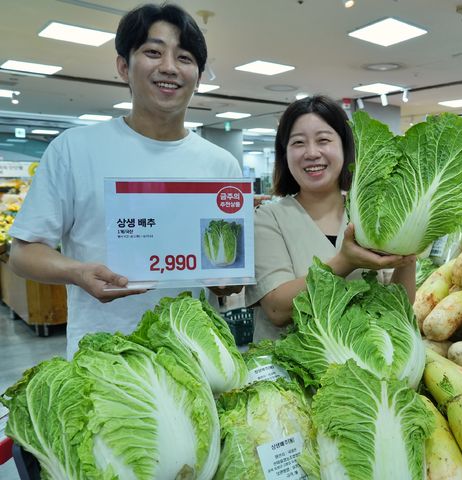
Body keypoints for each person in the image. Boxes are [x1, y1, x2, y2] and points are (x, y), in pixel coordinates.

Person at [8, 3, 242, 358]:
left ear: (198, 73)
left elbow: (228, 274)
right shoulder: (74, 149)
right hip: (104, 357)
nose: (169, 67)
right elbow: (22, 254)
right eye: (153, 52)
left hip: (193, 355)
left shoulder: (220, 164)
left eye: (184, 57)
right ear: (123, 66)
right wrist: (77, 272)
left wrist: (227, 281)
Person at [245, 95, 416, 341]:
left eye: (324, 140)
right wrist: (345, 262)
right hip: (288, 372)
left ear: (344, 147)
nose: (312, 153)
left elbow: (399, 305)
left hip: (363, 367)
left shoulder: (368, 217)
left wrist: (409, 253)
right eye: (298, 143)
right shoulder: (268, 217)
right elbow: (276, 308)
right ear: (285, 153)